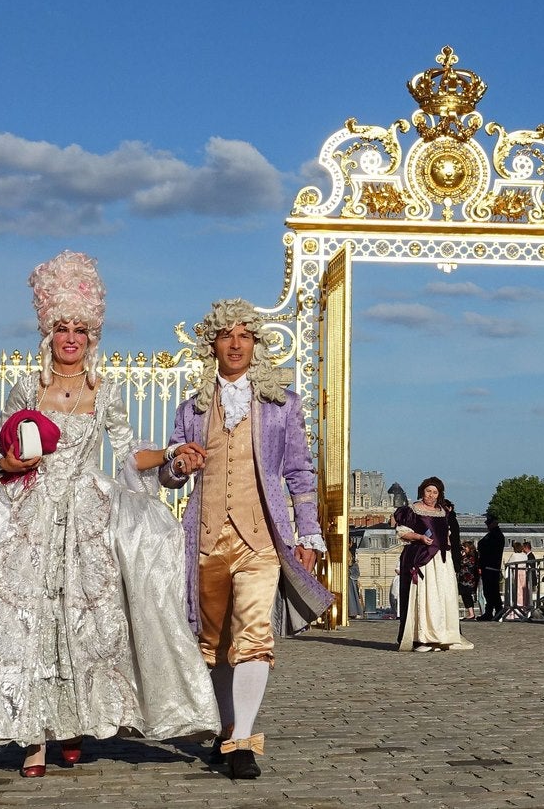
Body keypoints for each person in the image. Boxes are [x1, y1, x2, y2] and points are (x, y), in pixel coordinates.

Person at [0, 251, 217, 777]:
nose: (72, 337)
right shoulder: (27, 387)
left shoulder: (104, 393)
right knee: (30, 620)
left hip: (85, 516)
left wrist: (172, 456)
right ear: (48, 333)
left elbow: (129, 453)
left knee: (83, 624)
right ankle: (33, 739)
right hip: (29, 512)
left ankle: (75, 726)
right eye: (63, 327)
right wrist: (8, 459)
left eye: (81, 329)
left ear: (93, 336)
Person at [161, 298, 334, 780]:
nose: (235, 343)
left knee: (255, 637)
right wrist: (178, 463)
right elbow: (170, 475)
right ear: (212, 343)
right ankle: (226, 727)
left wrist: (310, 535)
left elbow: (299, 472)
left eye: (244, 335)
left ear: (256, 344)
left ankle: (243, 741)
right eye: (225, 335)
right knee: (212, 642)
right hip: (204, 536)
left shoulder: (284, 405)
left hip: (262, 538)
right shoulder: (192, 408)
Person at [390, 477, 474, 652]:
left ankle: (443, 636)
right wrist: (420, 537)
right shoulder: (412, 510)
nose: (431, 495)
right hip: (423, 558)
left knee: (443, 596)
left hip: (442, 560)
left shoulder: (443, 512)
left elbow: (448, 535)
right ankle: (423, 637)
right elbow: (403, 532)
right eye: (429, 491)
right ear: (422, 491)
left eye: (435, 492)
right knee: (426, 596)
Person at [476, 512, 505, 620]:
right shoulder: (494, 534)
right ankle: (493, 610)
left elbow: (484, 546)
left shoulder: (495, 535)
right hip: (489, 566)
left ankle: (494, 610)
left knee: (491, 590)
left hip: (491, 566)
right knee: (490, 591)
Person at [457, 541, 479, 619]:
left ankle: (471, 613)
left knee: (467, 595)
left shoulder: (472, 556)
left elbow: (466, 563)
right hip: (464, 579)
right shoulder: (466, 555)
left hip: (468, 579)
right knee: (465, 595)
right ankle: (470, 613)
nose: (464, 549)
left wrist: (462, 555)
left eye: (465, 547)